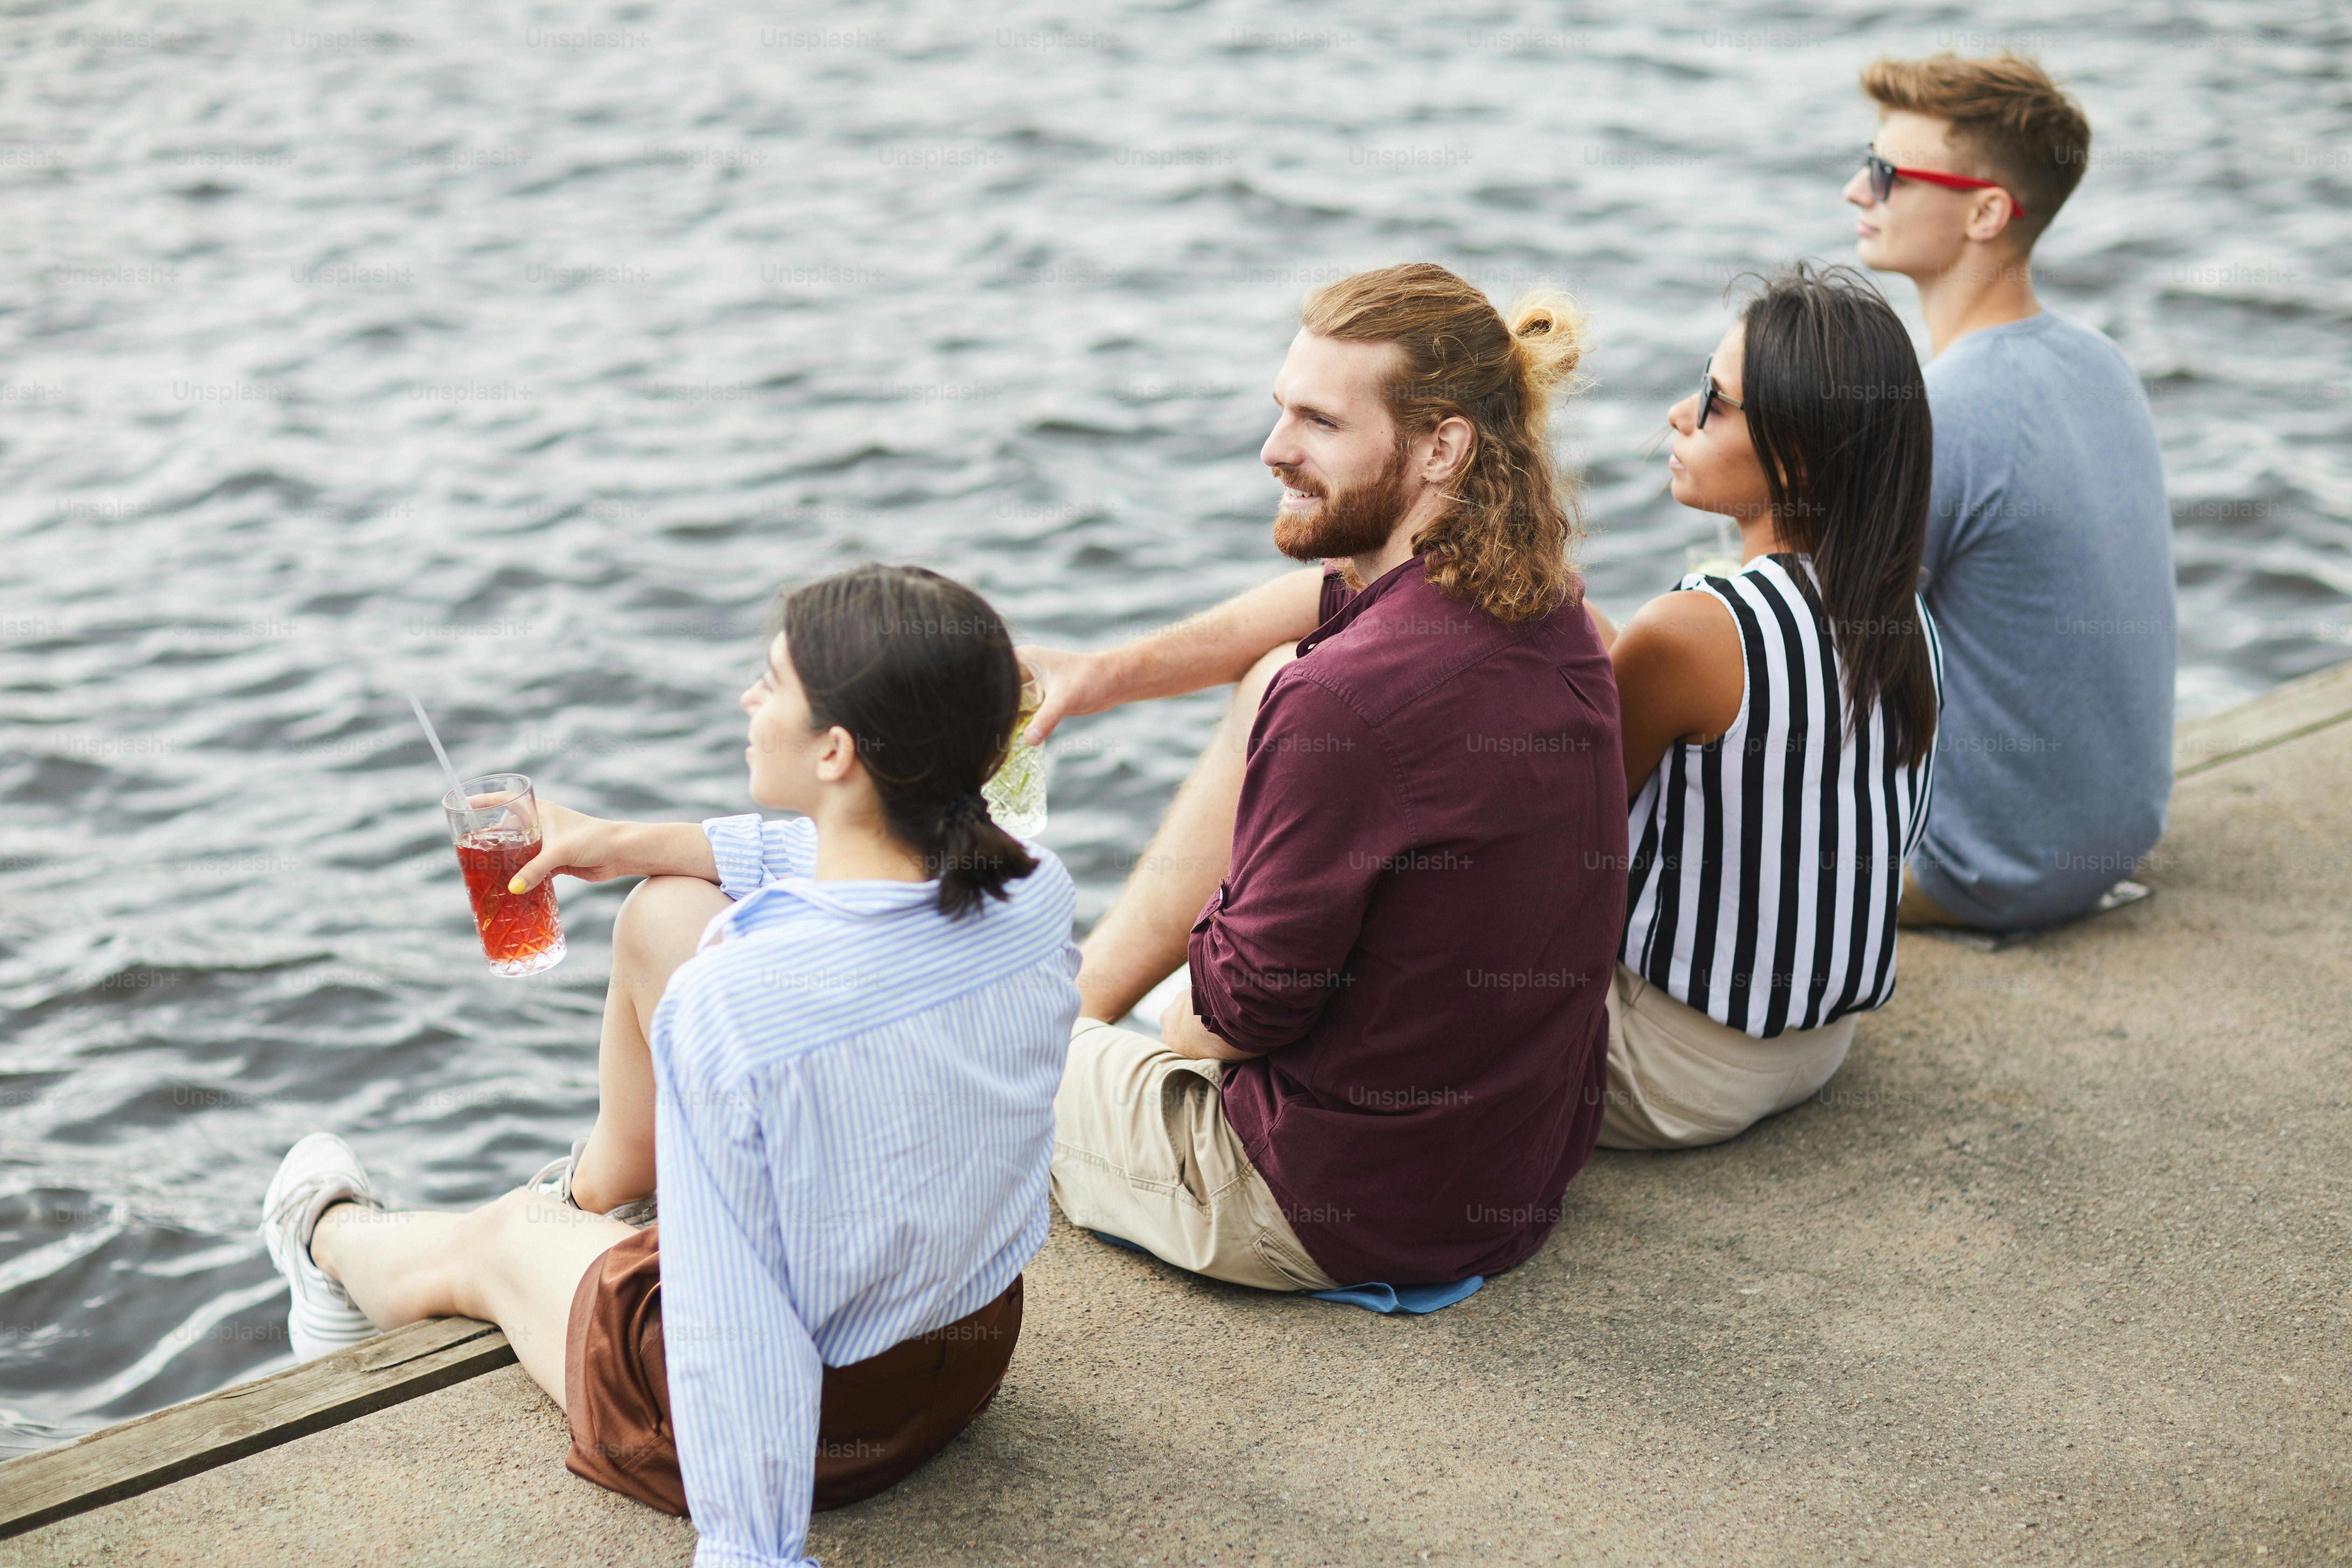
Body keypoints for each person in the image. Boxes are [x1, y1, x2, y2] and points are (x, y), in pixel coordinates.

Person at [258, 565, 1080, 1568]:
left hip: (825, 1424)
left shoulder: (736, 1005)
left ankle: (323, 1241)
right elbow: (840, 866)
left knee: (496, 1242)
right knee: (664, 908)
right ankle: (597, 1197)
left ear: (836, 750)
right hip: (967, 1352)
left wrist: (750, 1550)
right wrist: (626, 841)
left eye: (771, 683)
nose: (748, 700)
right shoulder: (1034, 889)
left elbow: (735, 1341)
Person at [1020, 261, 1626, 1292]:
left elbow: (1236, 1014)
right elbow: (1318, 607)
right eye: (1280, 411)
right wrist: (1107, 674)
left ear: (1443, 448)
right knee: (1271, 682)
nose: (1275, 450)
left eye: (1319, 424)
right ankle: (1076, 1011)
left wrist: (1179, 1015)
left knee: (963, 1052)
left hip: (1315, 1207)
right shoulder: (1550, 606)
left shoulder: (1341, 705)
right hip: (1510, 1176)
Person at [1585, 263, 1943, 1148]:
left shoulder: (1695, 632)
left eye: (1713, 399)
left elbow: (1562, 834)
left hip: (1662, 1073)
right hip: (1815, 1049)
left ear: (1795, 454)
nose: (1679, 413)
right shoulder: (1906, 615)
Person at [1845, 52, 2175, 932]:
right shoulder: (2103, 362)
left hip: (1980, 868)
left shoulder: (1944, 407)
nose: (1856, 190)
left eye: (1886, 173)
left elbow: (1825, 654)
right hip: (2114, 835)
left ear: (1988, 211)